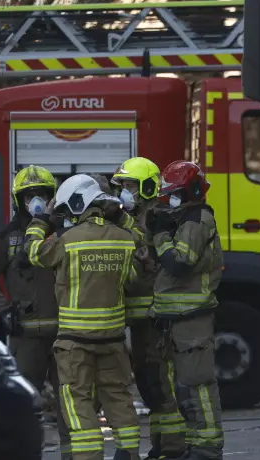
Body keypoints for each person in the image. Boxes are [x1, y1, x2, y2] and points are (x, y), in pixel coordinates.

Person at [24, 173, 142, 460]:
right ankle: (129, 451)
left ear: (78, 204)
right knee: (118, 396)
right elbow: (134, 279)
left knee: (78, 401)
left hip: (75, 342)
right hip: (113, 339)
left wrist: (41, 221)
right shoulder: (124, 240)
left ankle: (89, 456)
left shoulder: (67, 241)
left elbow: (34, 254)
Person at [0, 165, 71, 455]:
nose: (36, 200)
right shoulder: (8, 237)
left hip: (65, 335)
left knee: (73, 404)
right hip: (25, 336)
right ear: (19, 200)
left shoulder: (64, 232)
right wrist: (2, 310)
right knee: (23, 405)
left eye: (41, 193)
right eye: (29, 195)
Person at [145, 161, 224, 460]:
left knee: (198, 385)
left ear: (191, 190)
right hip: (177, 320)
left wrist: (160, 236)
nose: (170, 200)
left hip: (192, 319)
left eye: (175, 194)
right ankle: (195, 444)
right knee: (185, 388)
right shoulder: (184, 219)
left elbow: (180, 262)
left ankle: (207, 448)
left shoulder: (197, 219)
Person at [112, 158, 187, 460]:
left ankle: (172, 447)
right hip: (140, 321)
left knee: (162, 383)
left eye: (129, 186)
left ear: (146, 186)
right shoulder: (132, 218)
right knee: (149, 385)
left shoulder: (157, 218)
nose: (125, 192)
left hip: (156, 319)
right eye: (123, 186)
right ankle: (161, 444)